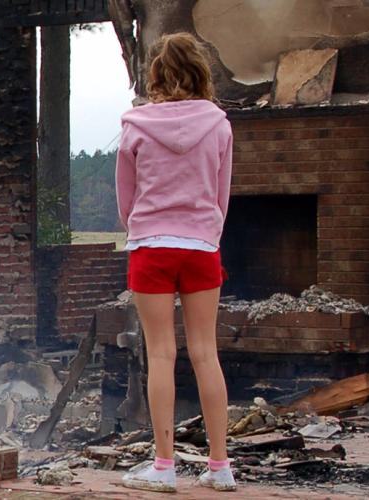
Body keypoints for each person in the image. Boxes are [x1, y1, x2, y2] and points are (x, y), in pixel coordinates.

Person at [115, 32, 236, 493]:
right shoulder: (220, 126)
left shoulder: (135, 128)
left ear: (157, 77)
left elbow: (126, 198)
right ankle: (220, 467)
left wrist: (141, 229)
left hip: (152, 248)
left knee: (162, 354)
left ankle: (163, 467)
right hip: (202, 247)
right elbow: (221, 194)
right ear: (200, 71)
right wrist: (205, 231)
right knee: (207, 354)